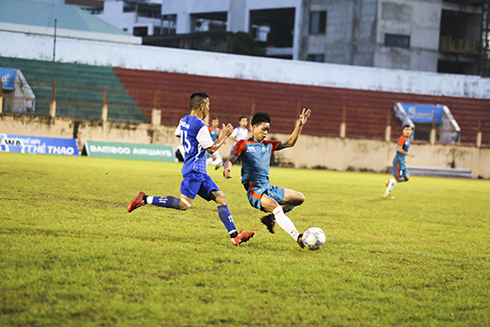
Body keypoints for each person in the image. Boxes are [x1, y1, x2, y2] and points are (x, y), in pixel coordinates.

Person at [128, 92, 254, 246]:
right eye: (208, 105)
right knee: (184, 204)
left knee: (221, 198)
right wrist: (225, 136)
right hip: (194, 171)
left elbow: (178, 134)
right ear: (202, 106)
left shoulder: (184, 120)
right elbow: (212, 149)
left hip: (199, 171)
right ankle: (144, 198)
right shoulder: (200, 126)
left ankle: (235, 236)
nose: (208, 108)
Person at [222, 109, 311, 248]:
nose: (265, 133)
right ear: (254, 127)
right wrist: (227, 168)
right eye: (263, 129)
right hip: (255, 191)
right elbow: (230, 159)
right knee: (275, 207)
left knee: (300, 198)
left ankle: (270, 219)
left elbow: (290, 142)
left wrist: (300, 124)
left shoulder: (268, 145)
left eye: (267, 130)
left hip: (268, 188)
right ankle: (298, 237)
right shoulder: (243, 144)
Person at [384, 124, 415, 198]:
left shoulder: (408, 139)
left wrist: (404, 159)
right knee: (397, 178)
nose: (408, 131)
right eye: (406, 130)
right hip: (398, 161)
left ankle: (389, 181)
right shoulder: (402, 138)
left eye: (409, 130)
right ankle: (387, 193)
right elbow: (399, 149)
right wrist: (408, 155)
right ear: (403, 131)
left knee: (407, 178)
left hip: (402, 161)